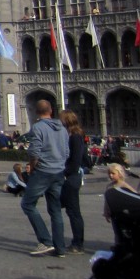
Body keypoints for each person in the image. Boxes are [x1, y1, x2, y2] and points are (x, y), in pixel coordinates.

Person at [21, 99, 69, 257]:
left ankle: (45, 241)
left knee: (28, 204)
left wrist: (32, 167)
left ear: (36, 112)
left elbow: (34, 152)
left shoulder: (38, 128)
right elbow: (67, 152)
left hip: (43, 172)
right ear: (51, 111)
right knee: (55, 210)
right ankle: (60, 248)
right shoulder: (62, 128)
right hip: (59, 171)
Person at [60, 110, 88, 254]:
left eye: (61, 120)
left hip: (71, 178)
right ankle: (75, 242)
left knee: (74, 212)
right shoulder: (73, 136)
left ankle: (78, 243)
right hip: (71, 177)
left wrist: (64, 173)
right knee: (70, 210)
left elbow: (76, 161)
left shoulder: (75, 137)